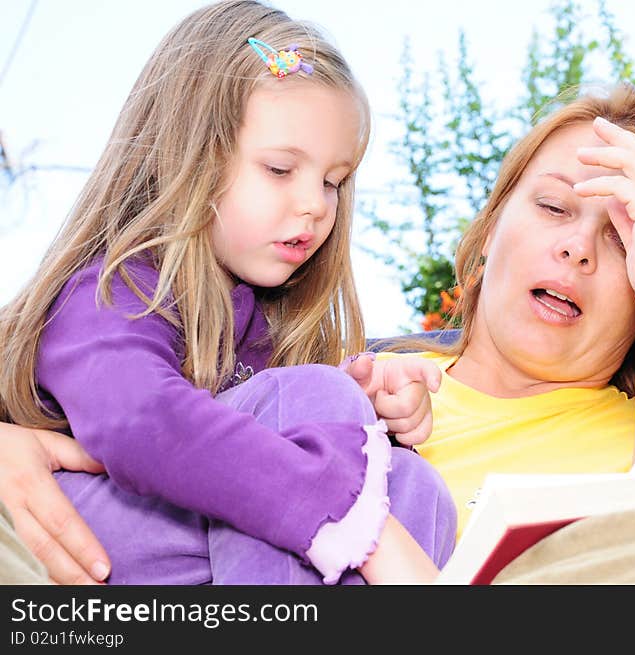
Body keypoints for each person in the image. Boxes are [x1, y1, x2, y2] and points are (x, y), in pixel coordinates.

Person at [0, 83, 635, 584]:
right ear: (492, 226)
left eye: (628, 237)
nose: (576, 245)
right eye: (556, 208)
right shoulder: (338, 373)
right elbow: (140, 416)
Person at [0, 0, 458, 586]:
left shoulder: (268, 319)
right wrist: (346, 513)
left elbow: (259, 415)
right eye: (279, 170)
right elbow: (143, 424)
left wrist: (365, 414)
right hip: (94, 539)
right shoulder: (111, 288)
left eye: (333, 182)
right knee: (316, 410)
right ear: (187, 157)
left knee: (417, 485)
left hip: (211, 551)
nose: (315, 204)